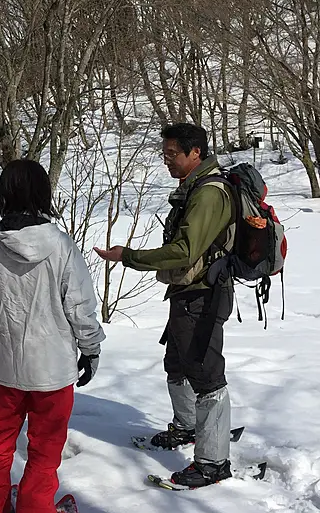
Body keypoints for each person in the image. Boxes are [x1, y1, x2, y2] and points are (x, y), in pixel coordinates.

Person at [0, 160, 105, 513]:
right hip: (52, 370)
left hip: (5, 366)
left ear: (4, 193)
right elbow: (79, 306)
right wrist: (90, 349)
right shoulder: (60, 245)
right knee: (44, 447)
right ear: (43, 193)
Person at [95, 123, 235, 488]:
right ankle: (187, 427)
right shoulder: (192, 188)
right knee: (177, 362)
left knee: (206, 375)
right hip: (186, 294)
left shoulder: (209, 193)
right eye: (165, 153)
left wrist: (129, 256)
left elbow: (185, 251)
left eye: (173, 154)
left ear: (196, 153)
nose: (167, 160)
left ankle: (213, 462)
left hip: (204, 295)